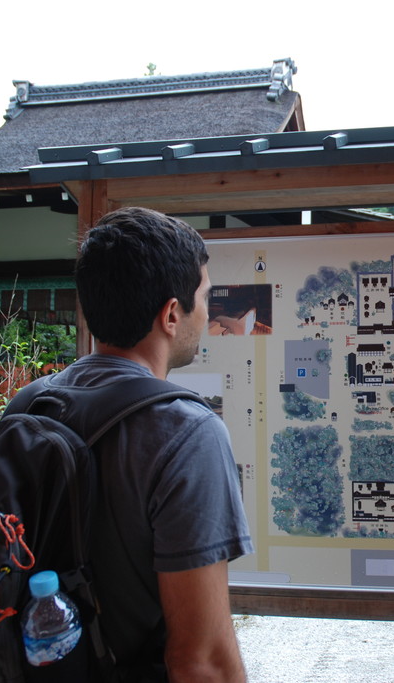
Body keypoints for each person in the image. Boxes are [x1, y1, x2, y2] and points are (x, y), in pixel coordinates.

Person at [47, 206, 251, 681]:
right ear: (172, 315)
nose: (208, 311)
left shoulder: (31, 404)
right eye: (204, 296)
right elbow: (201, 660)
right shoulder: (184, 431)